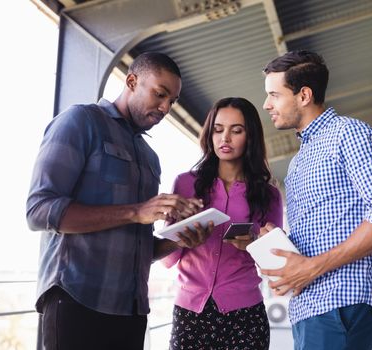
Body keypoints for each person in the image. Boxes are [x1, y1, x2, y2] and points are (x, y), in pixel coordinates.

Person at [26, 52, 212, 350]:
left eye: (172, 101)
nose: (165, 108)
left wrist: (179, 241)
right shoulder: (81, 121)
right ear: (131, 80)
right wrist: (136, 211)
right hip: (77, 301)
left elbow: (136, 246)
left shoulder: (150, 158)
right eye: (160, 94)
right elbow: (39, 211)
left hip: (130, 311)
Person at [260, 50, 372, 349]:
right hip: (311, 305)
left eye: (274, 95)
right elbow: (326, 230)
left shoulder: (348, 134)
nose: (267, 104)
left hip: (340, 302)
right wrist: (276, 243)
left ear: (304, 95)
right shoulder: (300, 159)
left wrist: (312, 267)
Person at [161, 97, 283, 350]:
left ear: (250, 137)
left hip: (245, 315)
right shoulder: (185, 184)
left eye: (236, 130)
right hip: (190, 312)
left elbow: (277, 265)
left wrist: (254, 245)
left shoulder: (269, 195)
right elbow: (167, 260)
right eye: (218, 130)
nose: (224, 138)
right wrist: (181, 233)